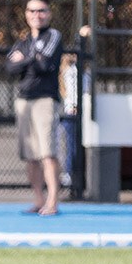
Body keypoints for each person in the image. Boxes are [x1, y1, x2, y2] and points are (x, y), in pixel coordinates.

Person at [5, 0, 64, 216]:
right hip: (23, 100)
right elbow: (10, 68)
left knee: (47, 153)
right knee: (30, 155)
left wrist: (25, 59)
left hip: (44, 100)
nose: (36, 15)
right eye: (32, 11)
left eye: (41, 11)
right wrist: (30, 58)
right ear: (26, 14)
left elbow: (43, 64)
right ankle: (38, 200)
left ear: (48, 13)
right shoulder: (23, 41)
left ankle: (53, 202)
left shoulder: (53, 35)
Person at [58, 53, 77, 187]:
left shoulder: (71, 72)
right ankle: (69, 172)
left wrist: (74, 105)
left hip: (71, 110)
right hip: (70, 110)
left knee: (71, 145)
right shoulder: (69, 72)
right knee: (70, 145)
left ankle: (69, 173)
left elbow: (72, 92)